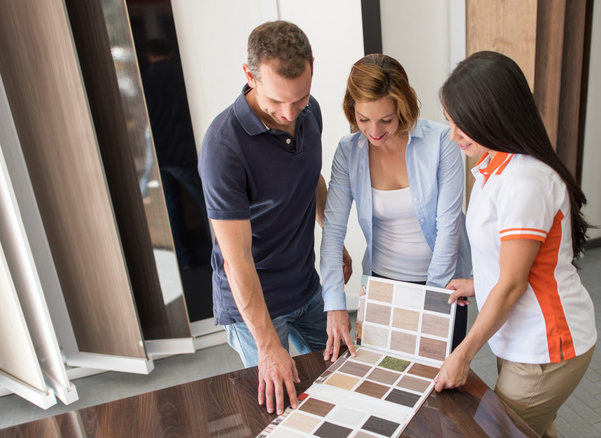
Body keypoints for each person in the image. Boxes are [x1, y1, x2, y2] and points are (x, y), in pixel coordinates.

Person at [434, 51, 597, 438]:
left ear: (496, 116)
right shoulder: (496, 164)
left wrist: (462, 355)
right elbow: (510, 262)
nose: (453, 135)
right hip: (520, 339)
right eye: (450, 123)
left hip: (546, 347)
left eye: (464, 125)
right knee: (530, 430)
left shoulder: (525, 181)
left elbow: (512, 285)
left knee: (498, 432)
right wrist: (477, 284)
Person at [198, 21, 350, 416]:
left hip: (305, 287)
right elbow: (237, 260)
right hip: (257, 306)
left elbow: (308, 175)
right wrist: (268, 346)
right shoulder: (223, 147)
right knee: (285, 409)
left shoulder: (308, 112)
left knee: (345, 375)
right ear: (249, 76)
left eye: (299, 100)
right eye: (276, 102)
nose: (288, 114)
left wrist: (334, 240)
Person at [320, 53, 471, 359]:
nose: (374, 131)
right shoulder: (348, 152)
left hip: (441, 284)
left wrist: (431, 301)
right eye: (363, 120)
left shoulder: (441, 142)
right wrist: (335, 303)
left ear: (403, 107)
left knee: (438, 384)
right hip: (381, 286)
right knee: (382, 377)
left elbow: (449, 227)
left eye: (386, 120)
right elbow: (333, 230)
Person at [141, 38, 210, 269]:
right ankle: (219, 255)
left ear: (149, 56)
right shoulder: (181, 74)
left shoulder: (145, 79)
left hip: (160, 153)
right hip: (182, 150)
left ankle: (184, 258)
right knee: (208, 202)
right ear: (170, 53)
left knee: (172, 207)